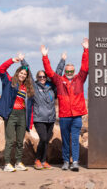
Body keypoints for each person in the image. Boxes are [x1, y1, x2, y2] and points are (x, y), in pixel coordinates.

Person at [41, 38, 89, 172]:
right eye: (67, 71)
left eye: (71, 70)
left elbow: (85, 67)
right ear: (65, 71)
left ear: (74, 71)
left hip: (77, 116)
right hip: (64, 116)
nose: (69, 72)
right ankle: (66, 161)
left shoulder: (79, 79)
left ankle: (75, 162)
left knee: (74, 139)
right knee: (65, 140)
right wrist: (45, 56)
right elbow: (49, 72)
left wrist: (86, 50)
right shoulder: (59, 80)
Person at [21, 53, 66, 170]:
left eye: (44, 77)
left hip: (50, 118)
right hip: (39, 118)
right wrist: (23, 61)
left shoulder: (51, 87)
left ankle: (44, 161)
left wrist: (62, 61)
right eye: (40, 77)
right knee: (44, 138)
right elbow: (29, 74)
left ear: (46, 77)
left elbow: (57, 73)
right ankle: (37, 160)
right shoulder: (35, 87)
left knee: (45, 141)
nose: (42, 79)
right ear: (37, 78)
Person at [0, 53, 34, 172]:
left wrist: (25, 62)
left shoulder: (27, 87)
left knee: (20, 140)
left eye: (25, 74)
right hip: (11, 114)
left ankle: (18, 162)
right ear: (18, 73)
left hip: (22, 115)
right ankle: (7, 164)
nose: (23, 75)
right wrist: (13, 60)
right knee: (10, 140)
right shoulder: (9, 81)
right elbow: (1, 69)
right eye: (21, 73)